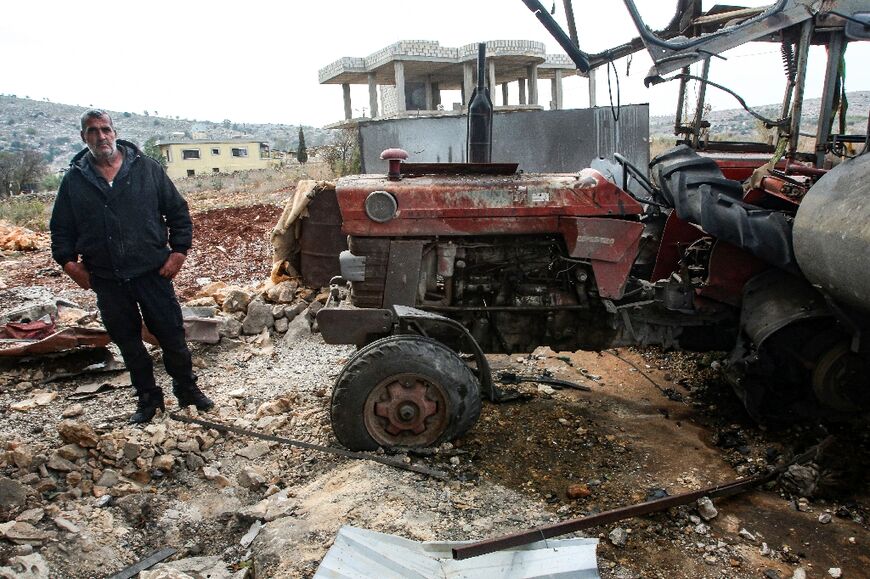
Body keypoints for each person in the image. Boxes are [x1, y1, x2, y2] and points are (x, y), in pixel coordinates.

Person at [50, 109, 214, 424]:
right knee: (128, 343)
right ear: (84, 138)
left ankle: (187, 390)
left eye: (105, 129)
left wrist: (178, 253)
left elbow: (178, 212)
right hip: (107, 280)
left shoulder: (146, 169)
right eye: (93, 131)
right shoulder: (74, 181)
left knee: (172, 336)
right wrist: (71, 266)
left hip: (153, 273)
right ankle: (149, 401)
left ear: (114, 132)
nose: (101, 137)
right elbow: (60, 231)